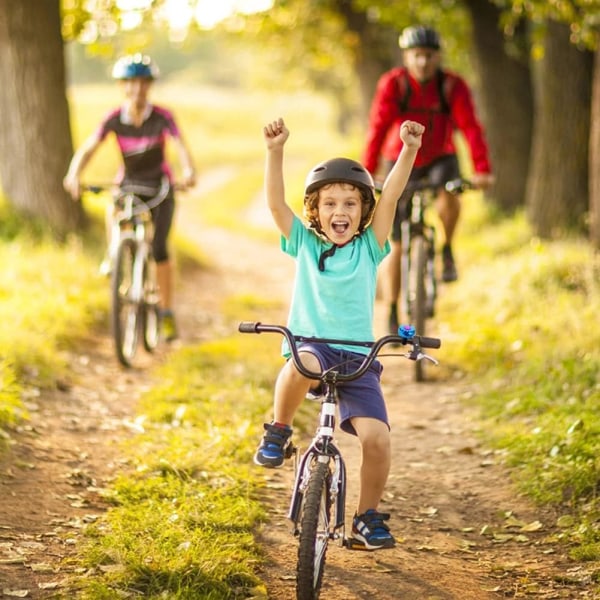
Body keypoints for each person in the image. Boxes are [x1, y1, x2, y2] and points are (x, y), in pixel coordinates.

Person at [254, 116, 424, 550]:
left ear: (363, 211)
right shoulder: (306, 245)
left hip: (359, 360)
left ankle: (366, 517)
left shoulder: (371, 246)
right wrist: (275, 152)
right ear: (315, 211)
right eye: (330, 204)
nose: (340, 212)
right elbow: (276, 206)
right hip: (313, 346)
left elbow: (393, 196)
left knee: (377, 438)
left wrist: (408, 149)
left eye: (350, 204)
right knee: (302, 362)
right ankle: (278, 429)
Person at [362, 25, 494, 334]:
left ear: (438, 57)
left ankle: (447, 249)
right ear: (407, 57)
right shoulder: (393, 85)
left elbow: (471, 127)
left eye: (429, 56)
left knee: (450, 194)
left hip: (440, 157)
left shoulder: (452, 86)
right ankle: (392, 312)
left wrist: (482, 168)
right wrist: (367, 170)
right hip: (401, 159)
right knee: (393, 244)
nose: (423, 62)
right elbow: (378, 126)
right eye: (417, 56)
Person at [63, 53, 196, 342]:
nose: (137, 89)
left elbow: (180, 145)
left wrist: (188, 171)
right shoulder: (113, 118)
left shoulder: (162, 117)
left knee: (160, 249)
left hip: (160, 186)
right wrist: (74, 174)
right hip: (130, 184)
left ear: (149, 86)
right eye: (131, 83)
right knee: (116, 203)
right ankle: (115, 253)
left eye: (143, 83)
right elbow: (89, 148)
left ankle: (167, 312)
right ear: (123, 86)